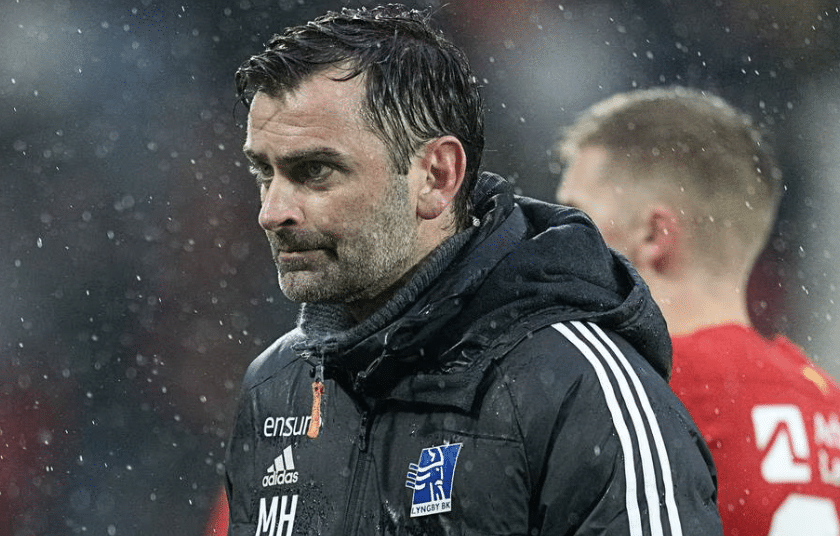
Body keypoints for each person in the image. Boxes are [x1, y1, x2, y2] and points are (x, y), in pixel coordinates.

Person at [221, 6, 723, 535]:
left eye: (314, 171)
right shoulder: (275, 387)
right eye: (264, 172)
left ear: (436, 177)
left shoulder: (579, 388)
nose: (272, 212)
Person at [556, 86, 840, 536]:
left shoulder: (633, 389)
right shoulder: (826, 402)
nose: (553, 242)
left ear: (654, 236)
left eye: (575, 218)